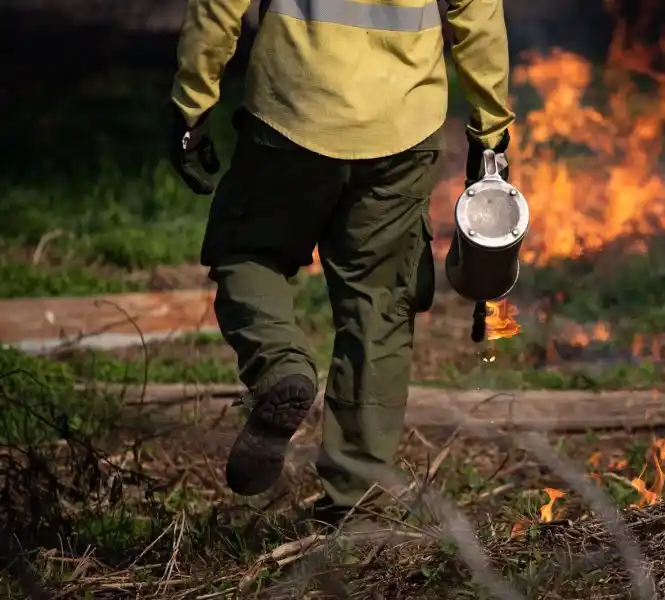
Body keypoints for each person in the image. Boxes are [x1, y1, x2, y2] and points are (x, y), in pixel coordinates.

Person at [168, 0, 515, 523]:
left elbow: (218, 5)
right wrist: (490, 133)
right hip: (403, 127)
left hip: (291, 111)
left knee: (248, 252)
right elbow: (478, 15)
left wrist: (193, 103)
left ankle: (280, 362)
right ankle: (355, 508)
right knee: (380, 307)